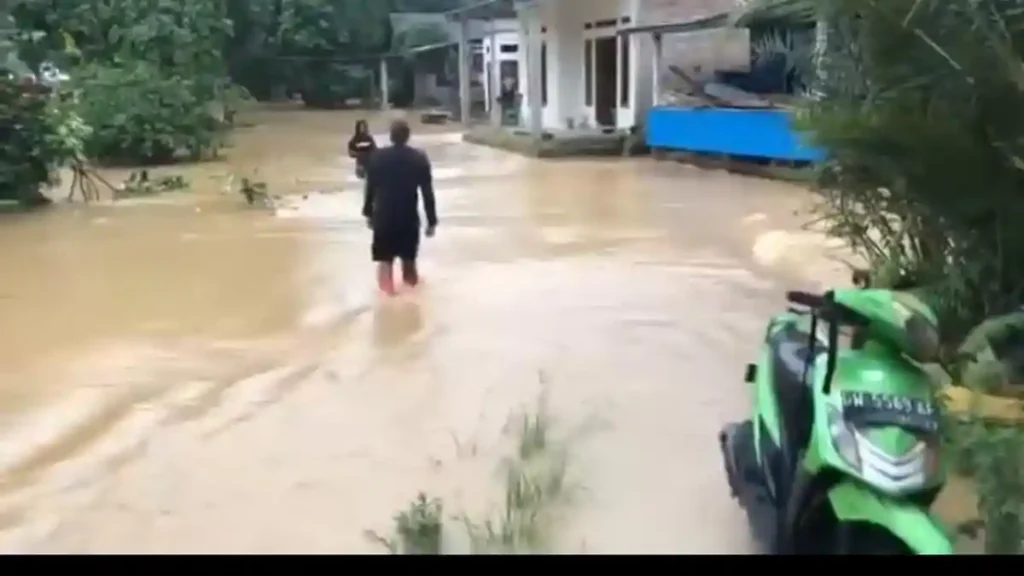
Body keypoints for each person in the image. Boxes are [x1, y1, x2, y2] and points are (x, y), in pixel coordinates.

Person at [362, 119, 438, 295]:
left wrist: (368, 212)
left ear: (391, 136)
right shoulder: (419, 158)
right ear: (408, 136)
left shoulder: (377, 158)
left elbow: (370, 188)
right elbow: (427, 193)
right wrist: (431, 221)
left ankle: (387, 300)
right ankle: (412, 304)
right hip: (408, 218)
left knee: (385, 262)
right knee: (409, 263)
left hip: (384, 217)